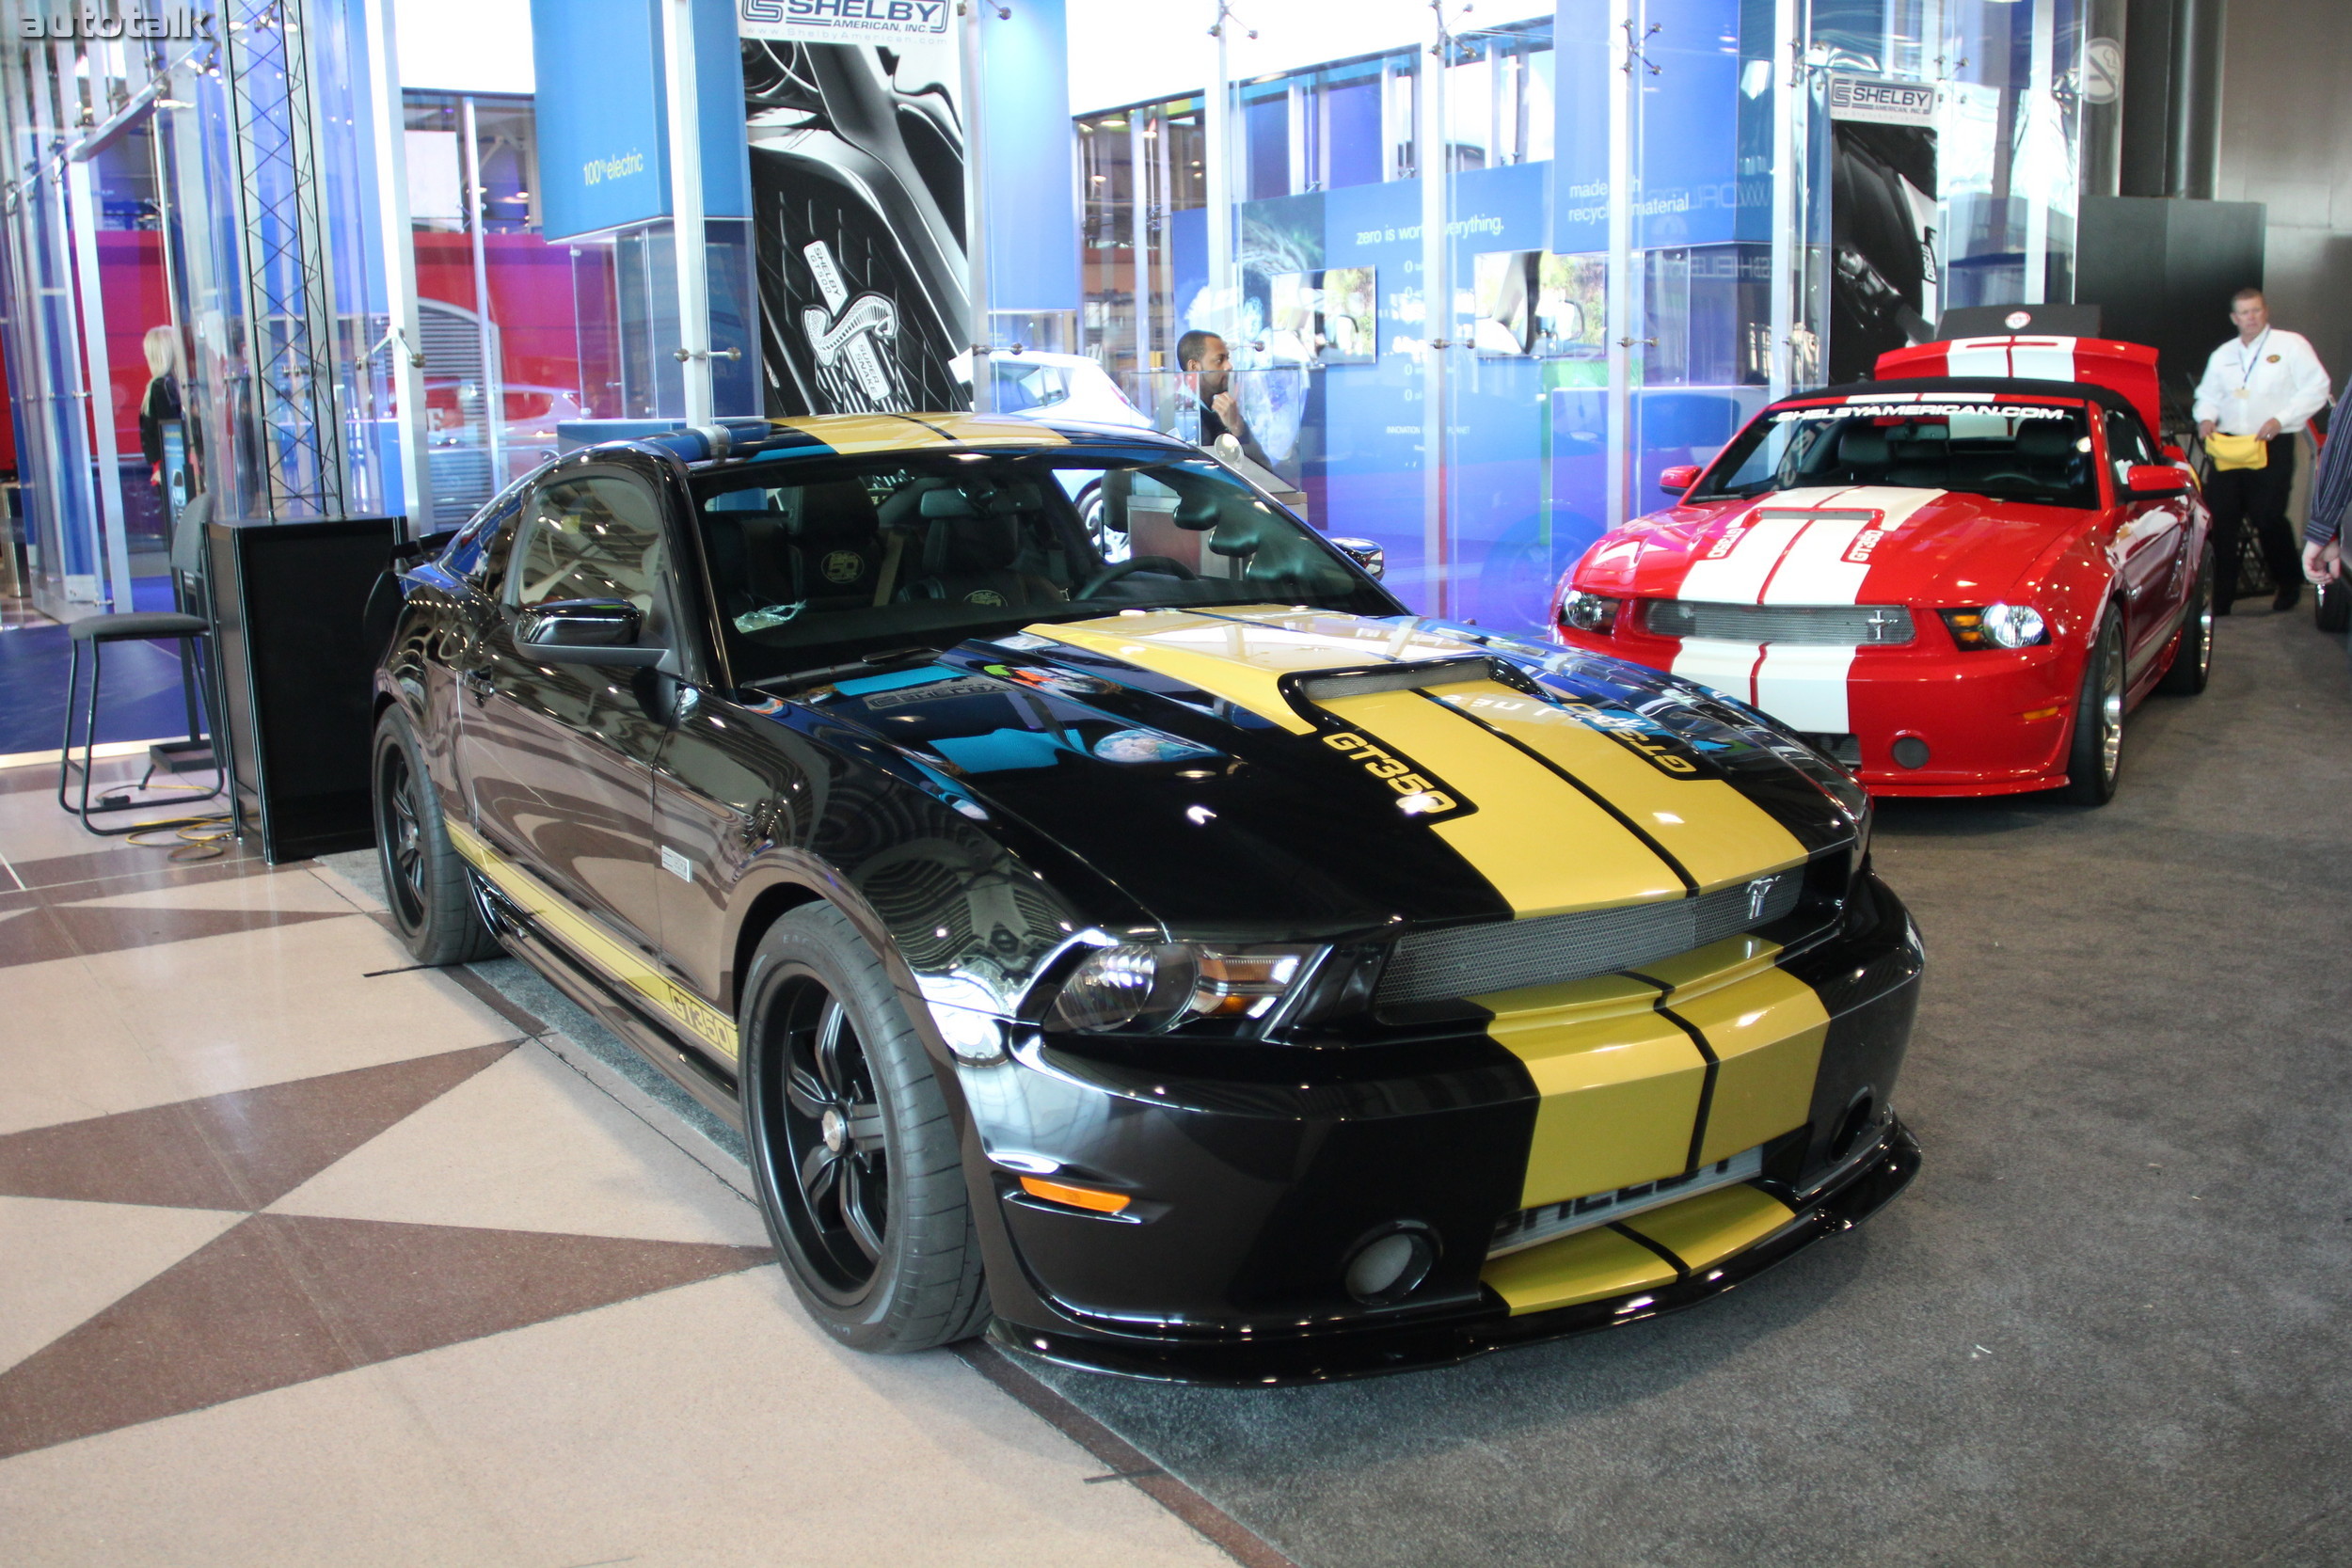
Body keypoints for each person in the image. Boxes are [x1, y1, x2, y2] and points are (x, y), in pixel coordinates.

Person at [2193, 288, 2331, 612]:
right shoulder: (2223, 354)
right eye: (2243, 313)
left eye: (2255, 311)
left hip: (2272, 444)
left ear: (2265, 312)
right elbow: (2207, 395)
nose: (2250, 318)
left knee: (2268, 517)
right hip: (2229, 447)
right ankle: (2221, 599)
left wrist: (2281, 419)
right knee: (2222, 521)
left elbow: (2318, 386)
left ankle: (2288, 581)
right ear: (2234, 318)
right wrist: (2206, 418)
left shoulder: (2290, 345)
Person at [1174, 329, 1274, 470]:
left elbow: (1263, 470)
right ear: (1194, 367)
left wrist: (1237, 428)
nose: (1229, 367)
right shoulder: (1180, 416)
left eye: (1228, 358)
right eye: (1219, 360)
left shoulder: (1220, 412)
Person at [136, 325, 183, 499]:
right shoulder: (162, 387)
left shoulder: (157, 387)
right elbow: (172, 431)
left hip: (166, 468)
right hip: (172, 469)